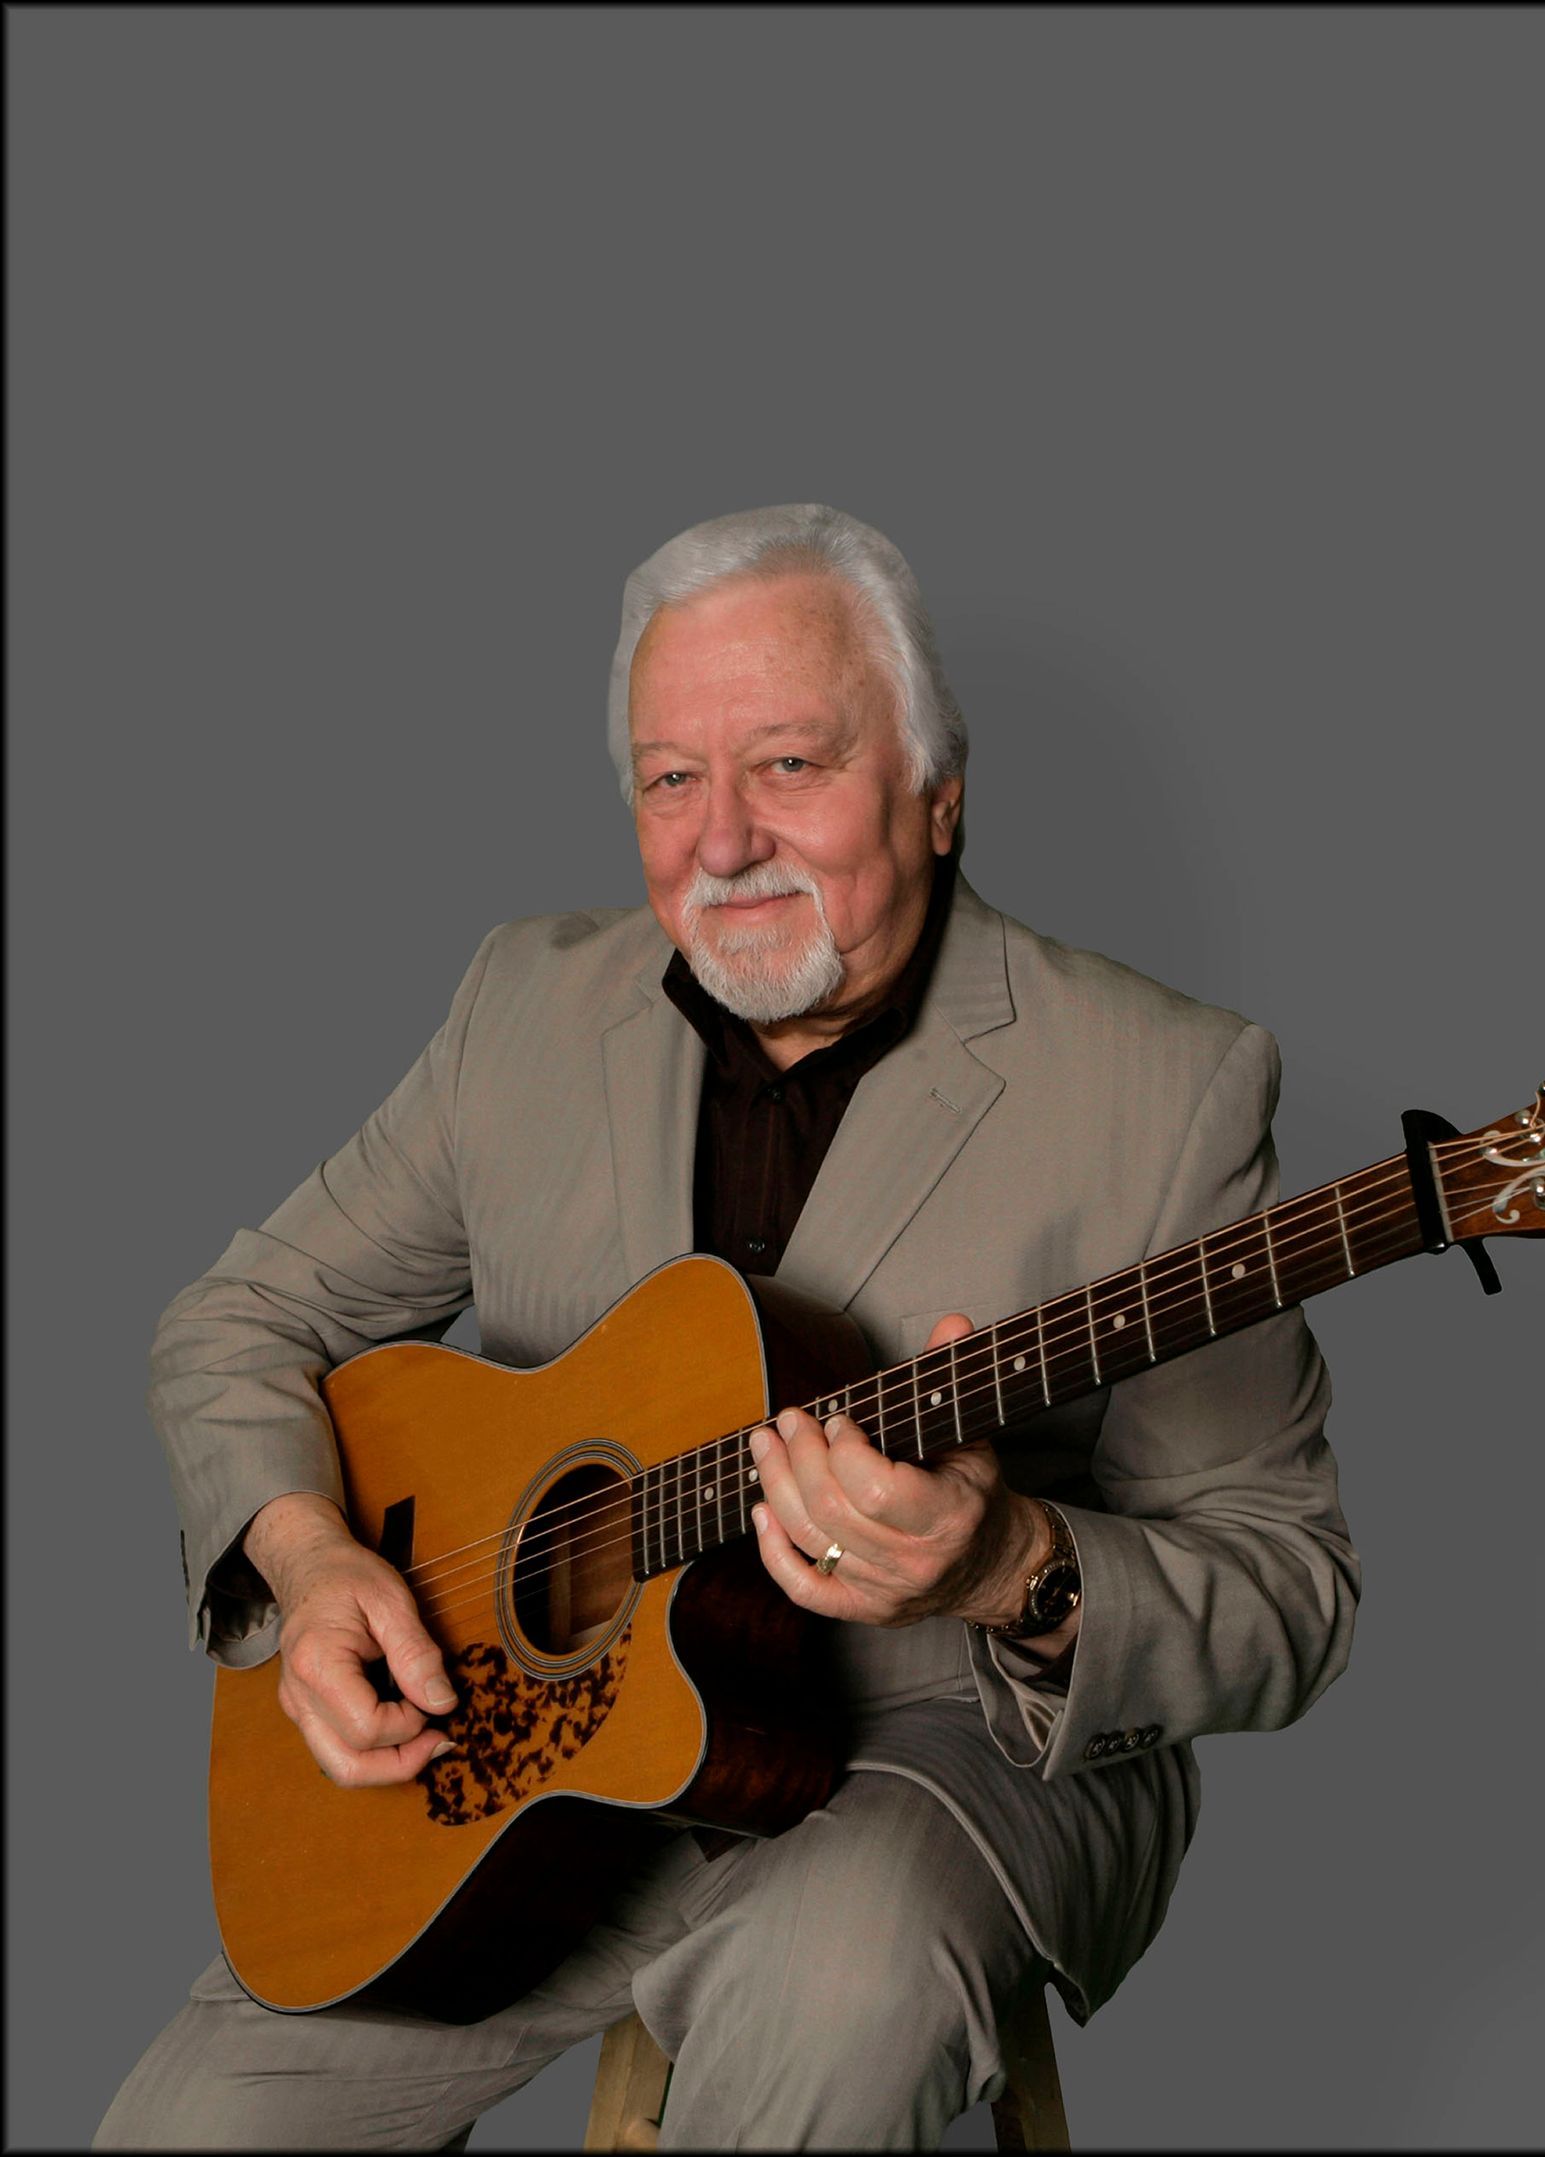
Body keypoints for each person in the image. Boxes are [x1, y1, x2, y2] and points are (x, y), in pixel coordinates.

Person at [97, 503, 1361, 2150]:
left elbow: (1291, 1589)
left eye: (790, 765)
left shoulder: (1166, 1086)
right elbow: (238, 1318)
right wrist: (311, 1555)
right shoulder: (525, 1008)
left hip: (944, 1760)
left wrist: (1009, 1568)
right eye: (669, 778)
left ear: (940, 792)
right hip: (524, 1774)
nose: (718, 842)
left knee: (841, 1987)